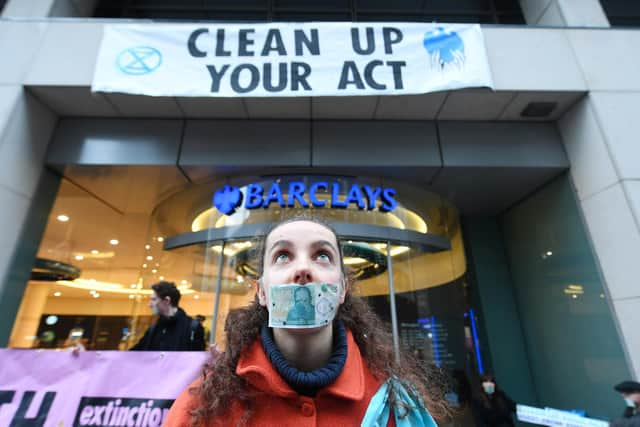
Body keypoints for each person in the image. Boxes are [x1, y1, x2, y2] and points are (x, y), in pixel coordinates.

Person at [165, 217, 449, 426]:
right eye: (283, 256)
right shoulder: (201, 407)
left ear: (342, 290)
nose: (302, 268)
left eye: (322, 256)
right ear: (262, 292)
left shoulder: (397, 409)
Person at [130, 281, 205, 351]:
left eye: (154, 299)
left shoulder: (192, 328)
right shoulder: (154, 329)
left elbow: (199, 360)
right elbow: (137, 352)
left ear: (167, 300)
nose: (149, 304)